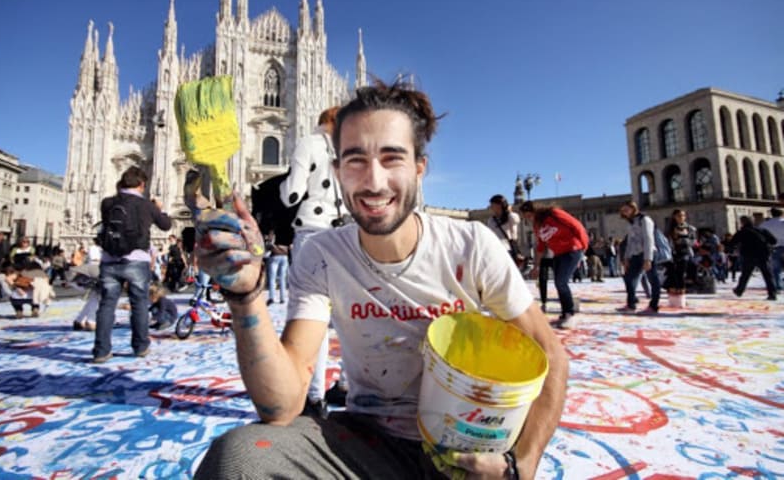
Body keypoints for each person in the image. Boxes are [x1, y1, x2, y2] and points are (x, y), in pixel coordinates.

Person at [192, 80, 568, 479]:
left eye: (392, 159)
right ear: (337, 171)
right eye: (355, 160)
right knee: (238, 457)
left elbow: (551, 356)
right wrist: (246, 296)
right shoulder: (323, 255)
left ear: (419, 168)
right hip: (370, 444)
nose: (373, 181)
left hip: (466, 450)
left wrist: (519, 467)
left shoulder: (470, 246)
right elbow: (282, 407)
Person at [279, 106, 350, 414]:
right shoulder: (348, 150)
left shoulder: (309, 143)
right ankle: (346, 386)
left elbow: (292, 195)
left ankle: (314, 395)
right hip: (344, 234)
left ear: (322, 122)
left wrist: (280, 188)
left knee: (312, 313)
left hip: (312, 232)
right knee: (345, 315)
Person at [92, 166, 172, 363]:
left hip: (110, 259)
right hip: (136, 259)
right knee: (139, 304)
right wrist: (159, 209)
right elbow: (166, 225)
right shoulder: (146, 205)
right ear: (142, 184)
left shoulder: (107, 203)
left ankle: (101, 351)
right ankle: (140, 346)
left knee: (106, 305)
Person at [518, 200, 589, 329]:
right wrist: (536, 266)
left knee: (561, 282)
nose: (528, 219)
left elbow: (577, 226)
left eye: (529, 215)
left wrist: (583, 247)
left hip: (572, 249)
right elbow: (541, 246)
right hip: (558, 254)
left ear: (535, 211)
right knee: (558, 283)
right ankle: (565, 312)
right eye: (525, 217)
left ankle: (570, 313)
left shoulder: (554, 214)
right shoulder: (537, 226)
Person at [617, 200, 661, 314]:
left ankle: (654, 305)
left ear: (633, 208)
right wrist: (626, 257)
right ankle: (631, 303)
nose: (625, 213)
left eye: (626, 210)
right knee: (629, 278)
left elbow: (648, 239)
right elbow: (630, 242)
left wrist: (648, 258)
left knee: (653, 279)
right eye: (623, 211)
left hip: (647, 253)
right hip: (635, 254)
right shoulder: (631, 223)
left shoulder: (644, 220)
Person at [730, 215, 777, 300]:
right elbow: (773, 241)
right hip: (763, 255)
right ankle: (772, 293)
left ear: (742, 222)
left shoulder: (742, 232)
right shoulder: (762, 230)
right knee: (767, 275)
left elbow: (732, 243)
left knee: (745, 274)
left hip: (749, 255)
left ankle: (739, 290)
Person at [667, 209, 697, 306]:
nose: (681, 218)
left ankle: (682, 297)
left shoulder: (690, 228)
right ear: (674, 217)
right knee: (674, 275)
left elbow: (693, 241)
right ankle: (675, 298)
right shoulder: (670, 229)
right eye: (679, 216)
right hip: (673, 254)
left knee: (683, 274)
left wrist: (684, 241)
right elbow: (668, 242)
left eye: (683, 215)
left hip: (686, 253)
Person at [487, 194, 523, 268]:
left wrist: (509, 211)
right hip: (495, 248)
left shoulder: (511, 216)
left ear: (499, 205)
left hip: (508, 248)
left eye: (492, 204)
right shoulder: (491, 220)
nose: (490, 207)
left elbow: (516, 221)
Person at [759, 208, 784, 292]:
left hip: (773, 248)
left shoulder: (764, 224)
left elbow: (761, 236)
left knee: (776, 269)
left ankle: (778, 286)